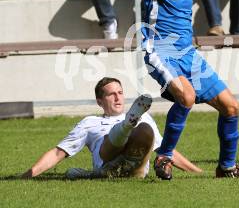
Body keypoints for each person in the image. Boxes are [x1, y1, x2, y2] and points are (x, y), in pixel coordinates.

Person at [135, 0, 239, 179]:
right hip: (160, 52)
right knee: (186, 96)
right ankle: (164, 157)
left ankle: (226, 168)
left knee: (231, 107)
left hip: (188, 55)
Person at [21, 77, 201, 179]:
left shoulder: (144, 116)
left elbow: (165, 151)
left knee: (145, 129)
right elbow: (58, 153)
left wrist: (197, 172)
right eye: (111, 94)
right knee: (111, 140)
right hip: (108, 162)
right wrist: (28, 175)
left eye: (120, 93)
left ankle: (126, 128)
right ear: (100, 101)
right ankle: (124, 126)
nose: (117, 97)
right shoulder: (90, 122)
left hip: (135, 170)